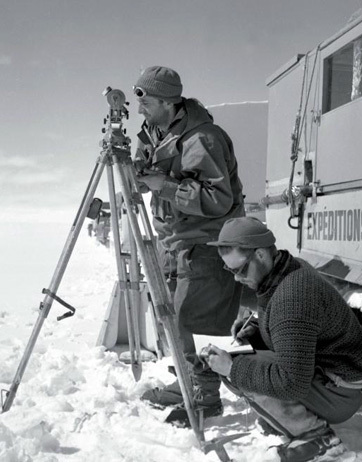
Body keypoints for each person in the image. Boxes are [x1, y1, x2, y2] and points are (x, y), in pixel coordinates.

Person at [201, 217, 362, 462]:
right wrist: (255, 327)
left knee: (239, 367)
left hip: (341, 394)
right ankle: (290, 421)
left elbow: (291, 383)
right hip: (341, 378)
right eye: (229, 270)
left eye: (239, 269)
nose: (235, 278)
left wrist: (232, 368)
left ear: (261, 255)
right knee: (243, 360)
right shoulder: (289, 267)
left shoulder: (291, 297)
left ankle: (318, 438)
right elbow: (290, 327)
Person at [132, 66, 245, 420]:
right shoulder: (155, 132)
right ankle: (186, 381)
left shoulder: (202, 138)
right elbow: (147, 174)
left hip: (206, 243)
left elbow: (217, 199)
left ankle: (205, 396)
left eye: (146, 102)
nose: (140, 110)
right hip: (175, 240)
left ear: (168, 101)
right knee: (175, 319)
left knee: (196, 318)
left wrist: (161, 185)